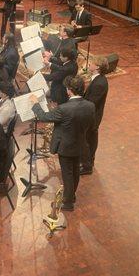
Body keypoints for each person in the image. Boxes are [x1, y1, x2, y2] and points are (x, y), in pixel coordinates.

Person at [29, 76, 95, 211]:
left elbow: (44, 117)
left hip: (65, 146)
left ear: (69, 91)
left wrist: (35, 104)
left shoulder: (64, 109)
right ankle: (71, 195)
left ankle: (68, 202)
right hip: (80, 143)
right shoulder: (90, 105)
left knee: (67, 174)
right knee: (75, 171)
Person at [80, 56, 109, 175]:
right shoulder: (97, 79)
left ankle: (87, 166)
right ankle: (88, 161)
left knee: (88, 141)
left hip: (92, 118)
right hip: (92, 116)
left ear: (97, 67)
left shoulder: (100, 83)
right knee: (89, 140)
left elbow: (91, 103)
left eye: (91, 63)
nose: (89, 64)